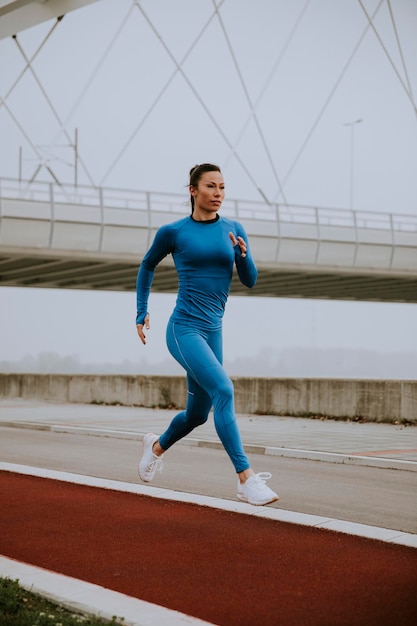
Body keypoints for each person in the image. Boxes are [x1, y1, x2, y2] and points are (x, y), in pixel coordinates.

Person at [136, 163, 279, 506]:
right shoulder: (174, 232)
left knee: (198, 414)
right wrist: (141, 310)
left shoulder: (233, 229)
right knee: (223, 389)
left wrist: (243, 255)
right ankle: (245, 479)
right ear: (193, 191)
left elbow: (250, 279)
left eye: (223, 188)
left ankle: (155, 447)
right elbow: (147, 265)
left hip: (214, 331)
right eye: (211, 186)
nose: (218, 194)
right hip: (183, 329)